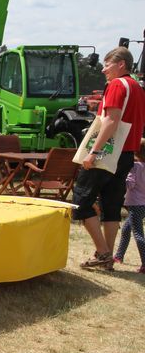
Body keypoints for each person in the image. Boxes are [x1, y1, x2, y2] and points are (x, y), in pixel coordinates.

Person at [73, 46, 145, 270]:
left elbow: (111, 121)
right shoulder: (138, 88)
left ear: (121, 64)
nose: (104, 70)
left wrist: (94, 151)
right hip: (126, 155)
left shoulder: (116, 85)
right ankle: (108, 259)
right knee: (112, 206)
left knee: (81, 202)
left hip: (107, 153)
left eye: (107, 65)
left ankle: (103, 253)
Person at [113, 151, 145, 273]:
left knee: (138, 234)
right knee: (126, 229)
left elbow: (130, 184)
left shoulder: (135, 166)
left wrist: (119, 179)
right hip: (143, 205)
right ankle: (119, 256)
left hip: (135, 204)